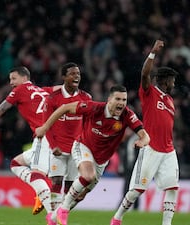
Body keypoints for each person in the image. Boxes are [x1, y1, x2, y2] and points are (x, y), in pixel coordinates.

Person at [35, 85, 150, 225]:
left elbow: (145, 135)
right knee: (88, 176)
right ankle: (63, 210)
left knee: (81, 195)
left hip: (101, 160)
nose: (121, 103)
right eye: (118, 99)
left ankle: (53, 219)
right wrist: (45, 127)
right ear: (109, 99)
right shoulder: (94, 108)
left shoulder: (127, 115)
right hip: (83, 147)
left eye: (124, 100)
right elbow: (64, 108)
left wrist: (143, 141)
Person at [110, 40, 179, 225]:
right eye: (172, 79)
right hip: (151, 148)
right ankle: (117, 218)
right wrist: (153, 53)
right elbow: (145, 74)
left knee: (172, 188)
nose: (174, 83)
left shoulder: (170, 100)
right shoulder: (150, 93)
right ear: (165, 80)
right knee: (135, 191)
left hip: (168, 150)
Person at [0, 66, 55, 217]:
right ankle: (40, 194)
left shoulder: (20, 90)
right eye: (10, 80)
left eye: (14, 78)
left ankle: (53, 215)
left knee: (37, 175)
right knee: (16, 163)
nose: (11, 83)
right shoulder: (43, 90)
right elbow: (61, 88)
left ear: (24, 78)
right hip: (56, 135)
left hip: (44, 136)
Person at [42, 62, 92, 211]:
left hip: (77, 149)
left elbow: (88, 124)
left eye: (78, 74)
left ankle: (61, 216)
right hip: (58, 148)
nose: (76, 76)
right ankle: (52, 216)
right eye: (72, 74)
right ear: (63, 77)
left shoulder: (86, 97)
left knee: (71, 186)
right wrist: (53, 145)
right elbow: (46, 124)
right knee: (56, 181)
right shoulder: (53, 98)